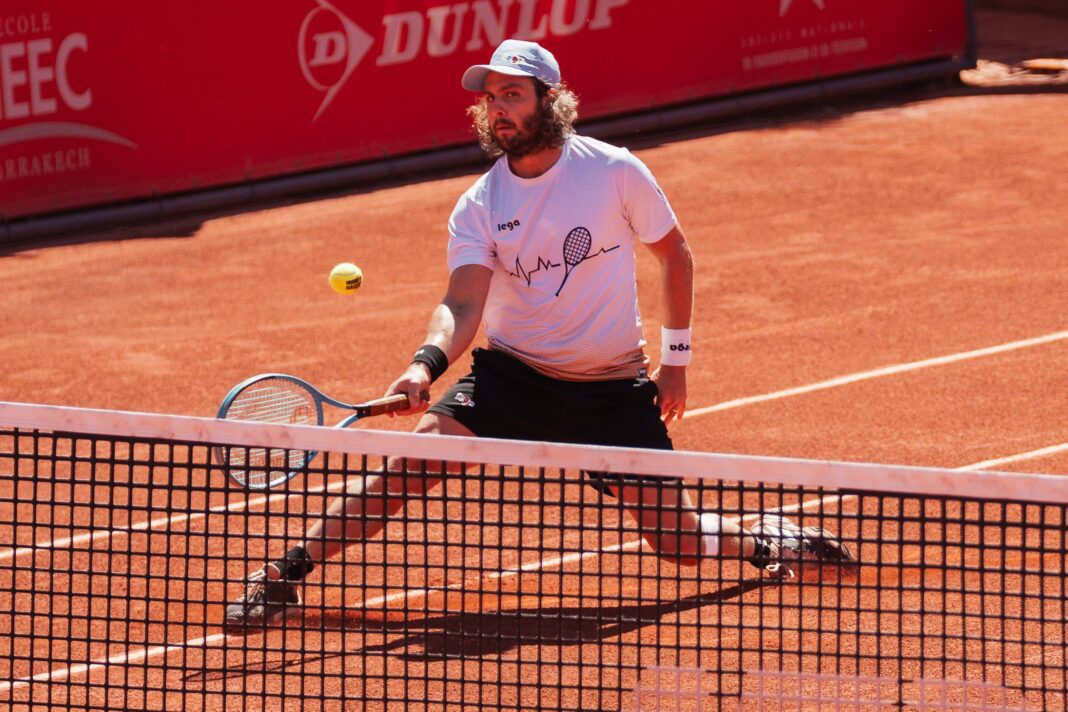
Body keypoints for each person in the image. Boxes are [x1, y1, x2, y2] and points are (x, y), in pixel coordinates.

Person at [225, 40, 856, 628]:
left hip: (609, 386)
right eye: (490, 98)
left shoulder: (612, 171)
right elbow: (463, 303)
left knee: (678, 544)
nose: (497, 110)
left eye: (512, 96)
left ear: (550, 101)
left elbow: (675, 254)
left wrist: (677, 361)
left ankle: (763, 538)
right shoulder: (478, 204)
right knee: (415, 457)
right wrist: (424, 365)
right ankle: (285, 572)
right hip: (515, 375)